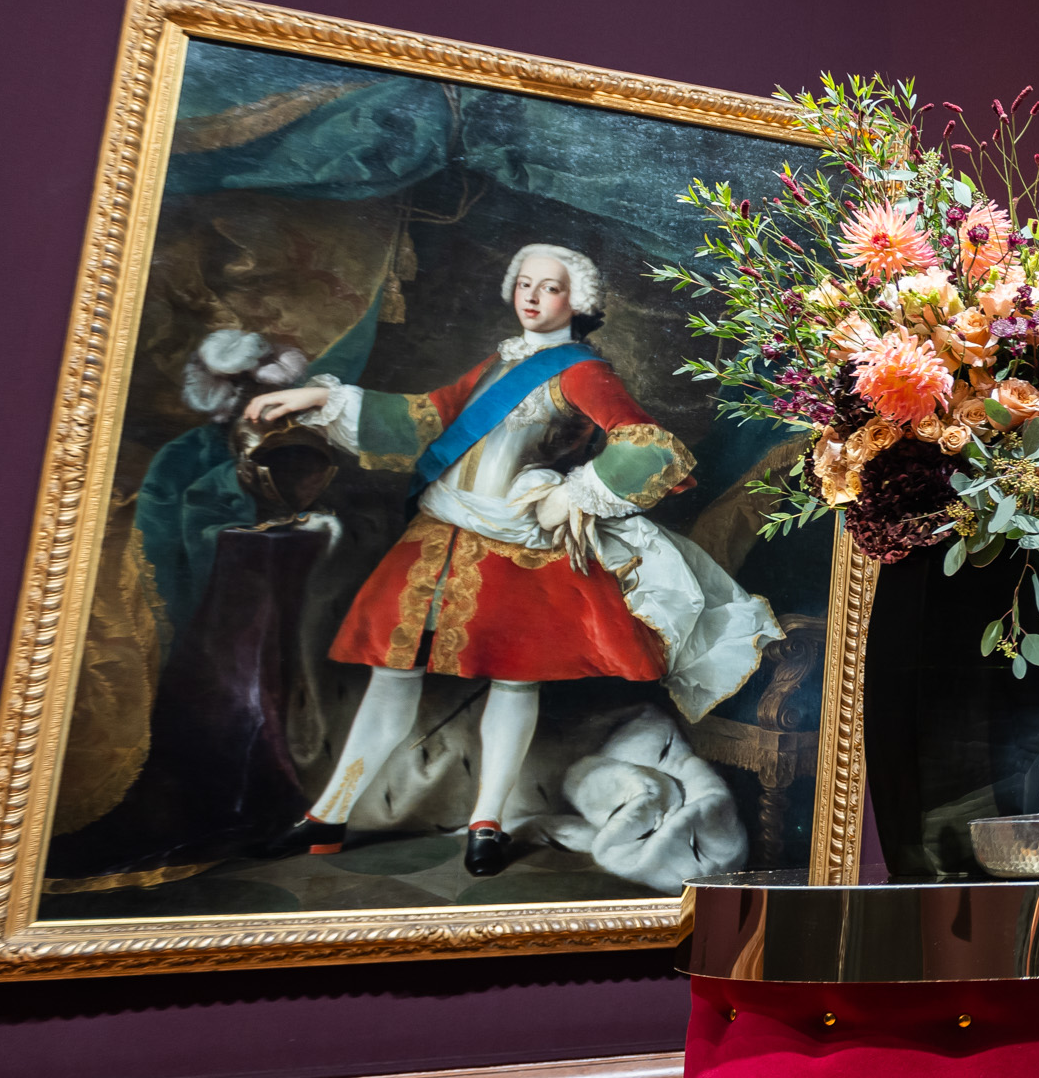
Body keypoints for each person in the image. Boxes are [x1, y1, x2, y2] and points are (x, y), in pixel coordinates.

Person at [241, 241, 781, 874]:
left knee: (514, 680)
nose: (531, 295)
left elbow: (649, 443)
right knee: (392, 673)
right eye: (524, 282)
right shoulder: (498, 363)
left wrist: (580, 492)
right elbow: (426, 417)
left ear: (576, 301)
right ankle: (327, 815)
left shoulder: (582, 371)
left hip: (518, 547)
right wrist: (314, 401)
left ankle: (487, 821)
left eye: (548, 287)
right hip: (440, 533)